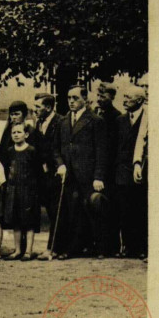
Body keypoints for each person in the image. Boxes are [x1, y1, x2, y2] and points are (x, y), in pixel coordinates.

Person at [53, 86, 108, 259]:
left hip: (88, 174)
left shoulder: (95, 120)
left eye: (75, 98)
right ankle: (72, 248)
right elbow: (55, 148)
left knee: (91, 209)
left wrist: (98, 176)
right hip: (69, 175)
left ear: (84, 99)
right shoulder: (63, 121)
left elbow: (101, 150)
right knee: (72, 211)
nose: (71, 101)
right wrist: (60, 165)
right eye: (69, 98)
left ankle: (99, 247)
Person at [114, 85, 148, 259]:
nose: (125, 100)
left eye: (128, 97)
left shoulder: (148, 118)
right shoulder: (120, 120)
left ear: (140, 100)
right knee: (125, 211)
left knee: (140, 209)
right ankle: (127, 246)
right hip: (122, 172)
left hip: (142, 170)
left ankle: (142, 247)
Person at [33, 93, 66, 261]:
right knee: (51, 210)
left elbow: (59, 148)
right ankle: (56, 247)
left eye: (38, 107)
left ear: (48, 107)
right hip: (43, 175)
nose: (35, 109)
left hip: (56, 173)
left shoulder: (61, 122)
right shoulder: (38, 122)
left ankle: (54, 248)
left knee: (56, 211)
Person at [3, 123, 42, 260]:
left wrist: (34, 189)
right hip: (13, 190)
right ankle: (18, 250)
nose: (16, 135)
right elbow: (7, 169)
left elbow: (38, 171)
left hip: (29, 190)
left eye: (19, 132)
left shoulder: (32, 150)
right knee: (16, 222)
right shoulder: (9, 151)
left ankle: (28, 251)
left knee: (29, 221)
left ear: (26, 135)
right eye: (13, 133)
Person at [95, 82, 122, 256]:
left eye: (103, 96)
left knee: (111, 209)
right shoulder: (95, 114)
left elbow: (113, 145)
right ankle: (97, 245)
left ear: (112, 97)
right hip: (98, 168)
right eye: (98, 96)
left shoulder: (117, 117)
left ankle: (111, 247)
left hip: (111, 169)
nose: (99, 99)